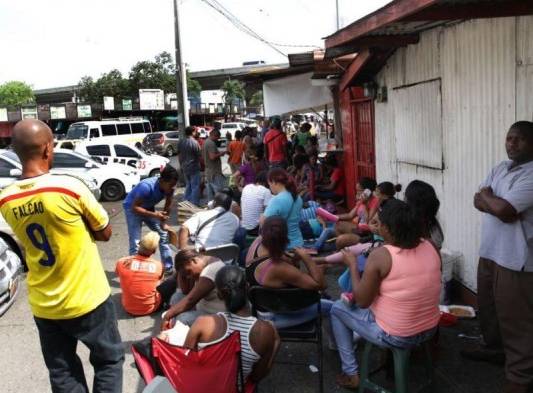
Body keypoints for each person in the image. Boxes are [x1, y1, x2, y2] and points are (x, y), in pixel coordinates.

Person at [0, 119, 124, 392]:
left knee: (63, 371)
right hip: (87, 298)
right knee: (109, 361)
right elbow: (104, 233)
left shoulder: (6, 199)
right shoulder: (69, 187)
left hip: (45, 305)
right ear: (46, 149)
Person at [331, 199, 441, 389]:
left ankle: (351, 373)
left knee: (336, 308)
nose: (377, 227)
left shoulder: (382, 255)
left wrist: (352, 265)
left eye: (379, 224)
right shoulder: (431, 245)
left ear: (389, 229)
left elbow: (363, 301)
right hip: (430, 328)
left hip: (397, 335)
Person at [462, 121, 533, 393]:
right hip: (490, 252)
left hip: (516, 259)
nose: (512, 144)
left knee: (517, 320)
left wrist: (490, 198)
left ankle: (520, 376)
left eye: (520, 140)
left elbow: (506, 210)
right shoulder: (500, 168)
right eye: (509, 138)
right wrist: (491, 200)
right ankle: (495, 350)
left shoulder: (531, 174)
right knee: (489, 309)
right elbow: (477, 199)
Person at [181, 265, 280, 385]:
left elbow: (186, 364)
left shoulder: (202, 323)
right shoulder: (265, 331)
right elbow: (256, 377)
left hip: (202, 387)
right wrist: (275, 345)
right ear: (247, 287)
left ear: (219, 295)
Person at [246, 216, 332, 328]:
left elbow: (289, 264)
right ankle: (340, 344)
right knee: (333, 307)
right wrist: (306, 257)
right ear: (285, 238)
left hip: (261, 308)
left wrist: (293, 259)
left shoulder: (257, 243)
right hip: (274, 317)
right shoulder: (276, 267)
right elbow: (321, 284)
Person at [123, 165, 179, 272]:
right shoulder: (146, 187)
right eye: (171, 185)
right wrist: (155, 215)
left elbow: (168, 204)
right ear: (162, 180)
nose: (173, 187)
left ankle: (167, 267)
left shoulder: (170, 189)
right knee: (135, 241)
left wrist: (163, 221)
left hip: (148, 207)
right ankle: (135, 271)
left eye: (174, 185)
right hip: (132, 209)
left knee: (163, 235)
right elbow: (135, 208)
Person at [115, 231, 175, 316]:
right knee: (172, 281)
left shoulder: (121, 262)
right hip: (150, 308)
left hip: (128, 308)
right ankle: (168, 304)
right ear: (154, 251)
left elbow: (118, 273)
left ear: (139, 244)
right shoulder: (159, 265)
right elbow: (159, 282)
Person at [162, 249, 227, 326]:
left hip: (215, 316)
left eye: (188, 272)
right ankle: (174, 327)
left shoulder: (212, 270)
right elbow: (185, 291)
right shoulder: (201, 265)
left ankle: (178, 331)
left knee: (182, 319)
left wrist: (167, 317)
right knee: (177, 297)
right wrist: (180, 272)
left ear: (194, 261)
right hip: (201, 308)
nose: (188, 277)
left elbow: (190, 300)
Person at [176, 192, 240, 250]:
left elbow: (184, 227)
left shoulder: (201, 214)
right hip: (225, 259)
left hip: (202, 254)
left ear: (214, 203)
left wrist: (183, 247)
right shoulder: (235, 219)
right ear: (229, 207)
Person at [262, 168, 304, 250]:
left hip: (284, 247)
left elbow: (264, 224)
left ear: (274, 182)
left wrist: (261, 217)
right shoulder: (298, 198)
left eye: (269, 184)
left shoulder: (277, 200)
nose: (269, 187)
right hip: (298, 243)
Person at [334, 177, 379, 248]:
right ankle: (343, 246)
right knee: (338, 225)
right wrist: (333, 216)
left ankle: (346, 246)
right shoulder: (361, 201)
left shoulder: (375, 202)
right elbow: (350, 215)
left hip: (366, 231)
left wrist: (365, 204)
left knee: (340, 236)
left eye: (359, 190)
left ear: (368, 191)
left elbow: (368, 221)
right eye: (357, 190)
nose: (357, 193)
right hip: (359, 227)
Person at [240, 171, 272, 235]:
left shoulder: (246, 187)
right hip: (256, 229)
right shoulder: (266, 191)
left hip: (243, 227)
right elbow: (267, 212)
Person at [177, 126, 201, 206]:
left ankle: (185, 201)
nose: (196, 133)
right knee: (195, 186)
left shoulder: (181, 142)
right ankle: (194, 204)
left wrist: (181, 165)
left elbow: (179, 156)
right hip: (194, 167)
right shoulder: (194, 142)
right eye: (195, 131)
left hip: (184, 167)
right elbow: (198, 155)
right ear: (192, 132)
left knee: (188, 185)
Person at [203, 129, 227, 201]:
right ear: (214, 135)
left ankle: (211, 206)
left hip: (209, 170)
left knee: (210, 191)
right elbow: (212, 157)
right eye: (218, 137)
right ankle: (218, 206)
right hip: (214, 171)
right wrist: (221, 154)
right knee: (218, 190)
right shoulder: (211, 143)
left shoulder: (206, 142)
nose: (218, 139)